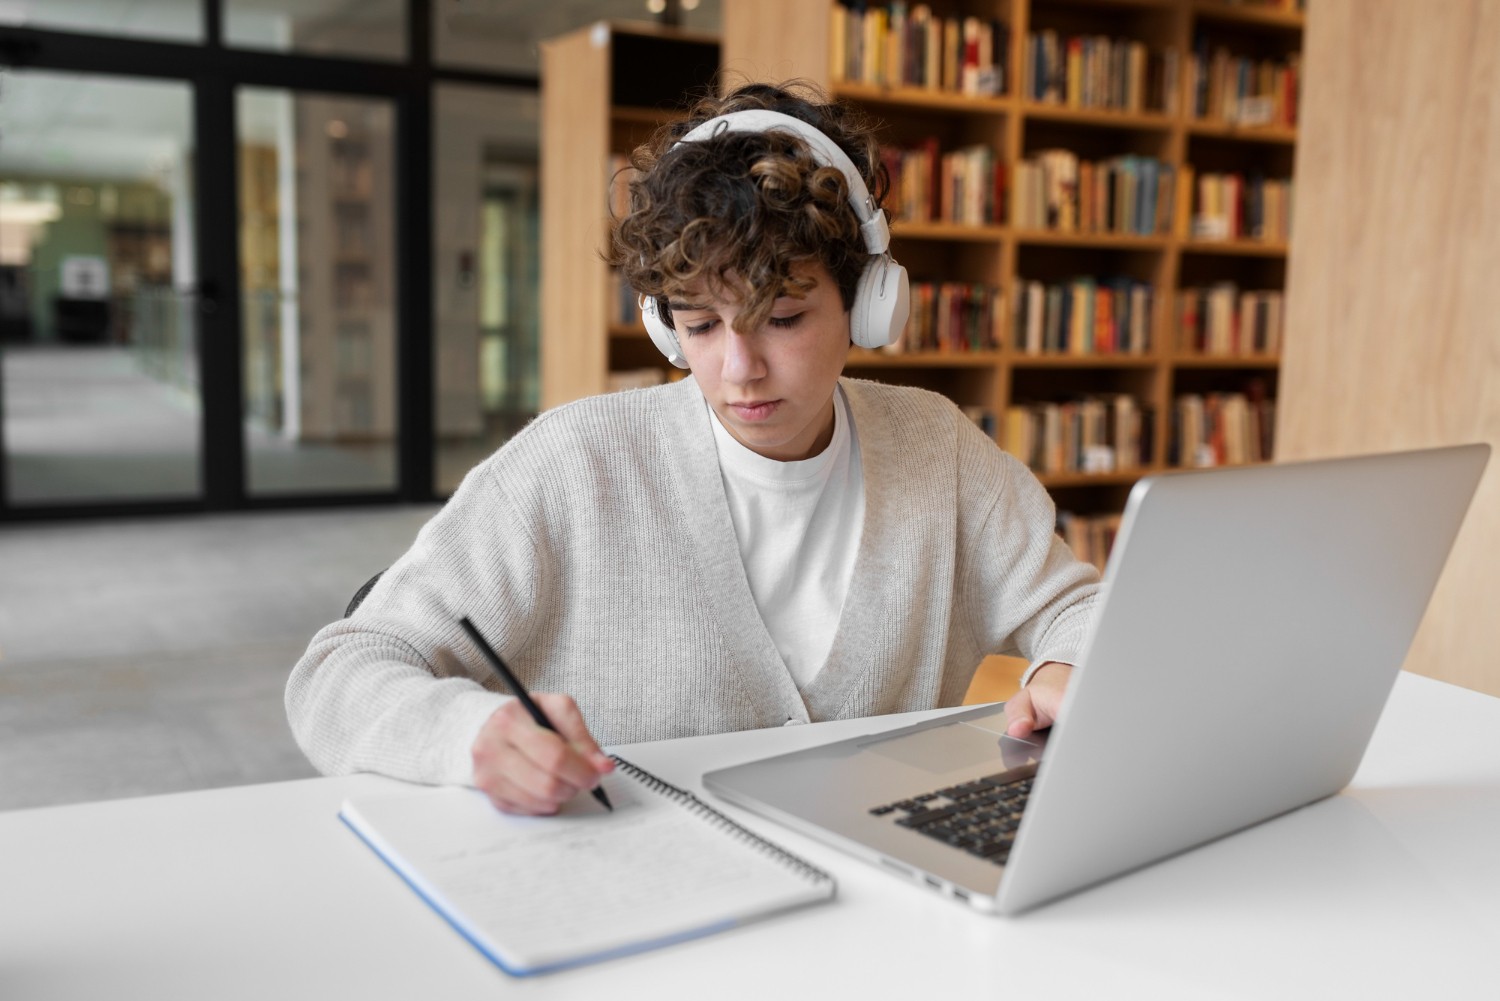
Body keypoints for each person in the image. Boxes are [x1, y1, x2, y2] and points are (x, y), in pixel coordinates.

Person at [286, 81, 1101, 817]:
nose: (739, 369)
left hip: (878, 901)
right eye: (700, 324)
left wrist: (1064, 667)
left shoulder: (937, 445)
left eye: (783, 319)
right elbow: (343, 670)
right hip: (628, 899)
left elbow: (1079, 609)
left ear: (867, 303)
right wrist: (466, 734)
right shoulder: (572, 465)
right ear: (660, 322)